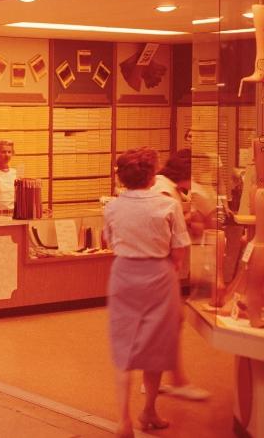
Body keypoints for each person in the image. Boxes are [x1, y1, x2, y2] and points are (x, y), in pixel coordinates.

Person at [103, 147, 191, 436]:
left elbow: (110, 241)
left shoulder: (112, 206)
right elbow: (179, 249)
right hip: (158, 275)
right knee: (155, 346)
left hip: (124, 275)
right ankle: (149, 410)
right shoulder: (168, 205)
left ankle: (123, 420)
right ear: (152, 174)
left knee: (123, 346)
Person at [145, 149, 210, 402]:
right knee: (171, 322)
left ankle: (155, 380)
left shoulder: (165, 187)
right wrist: (191, 219)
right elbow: (162, 225)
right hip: (159, 266)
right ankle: (177, 381)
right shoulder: (164, 190)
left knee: (168, 322)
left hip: (154, 266)